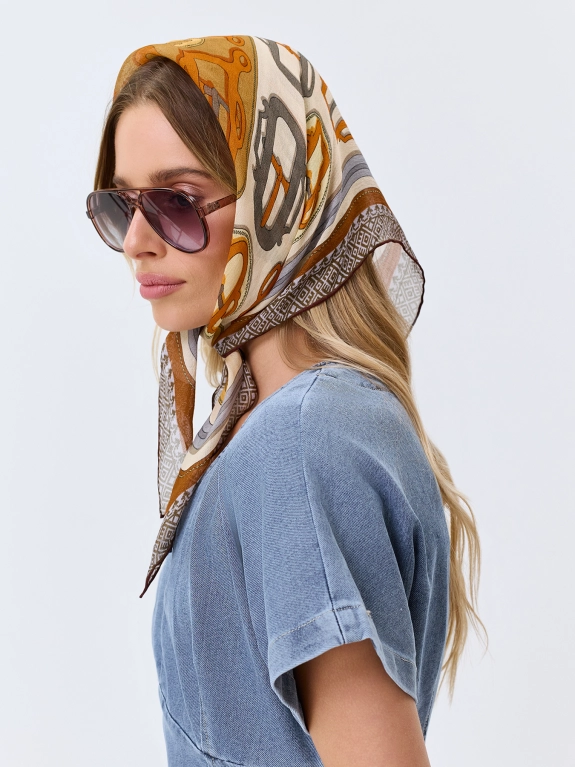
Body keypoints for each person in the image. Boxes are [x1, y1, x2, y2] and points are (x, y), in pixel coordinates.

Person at [86, 35, 483, 767]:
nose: (137, 241)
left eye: (176, 202)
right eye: (120, 206)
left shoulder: (300, 440)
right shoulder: (290, 425)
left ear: (281, 200)